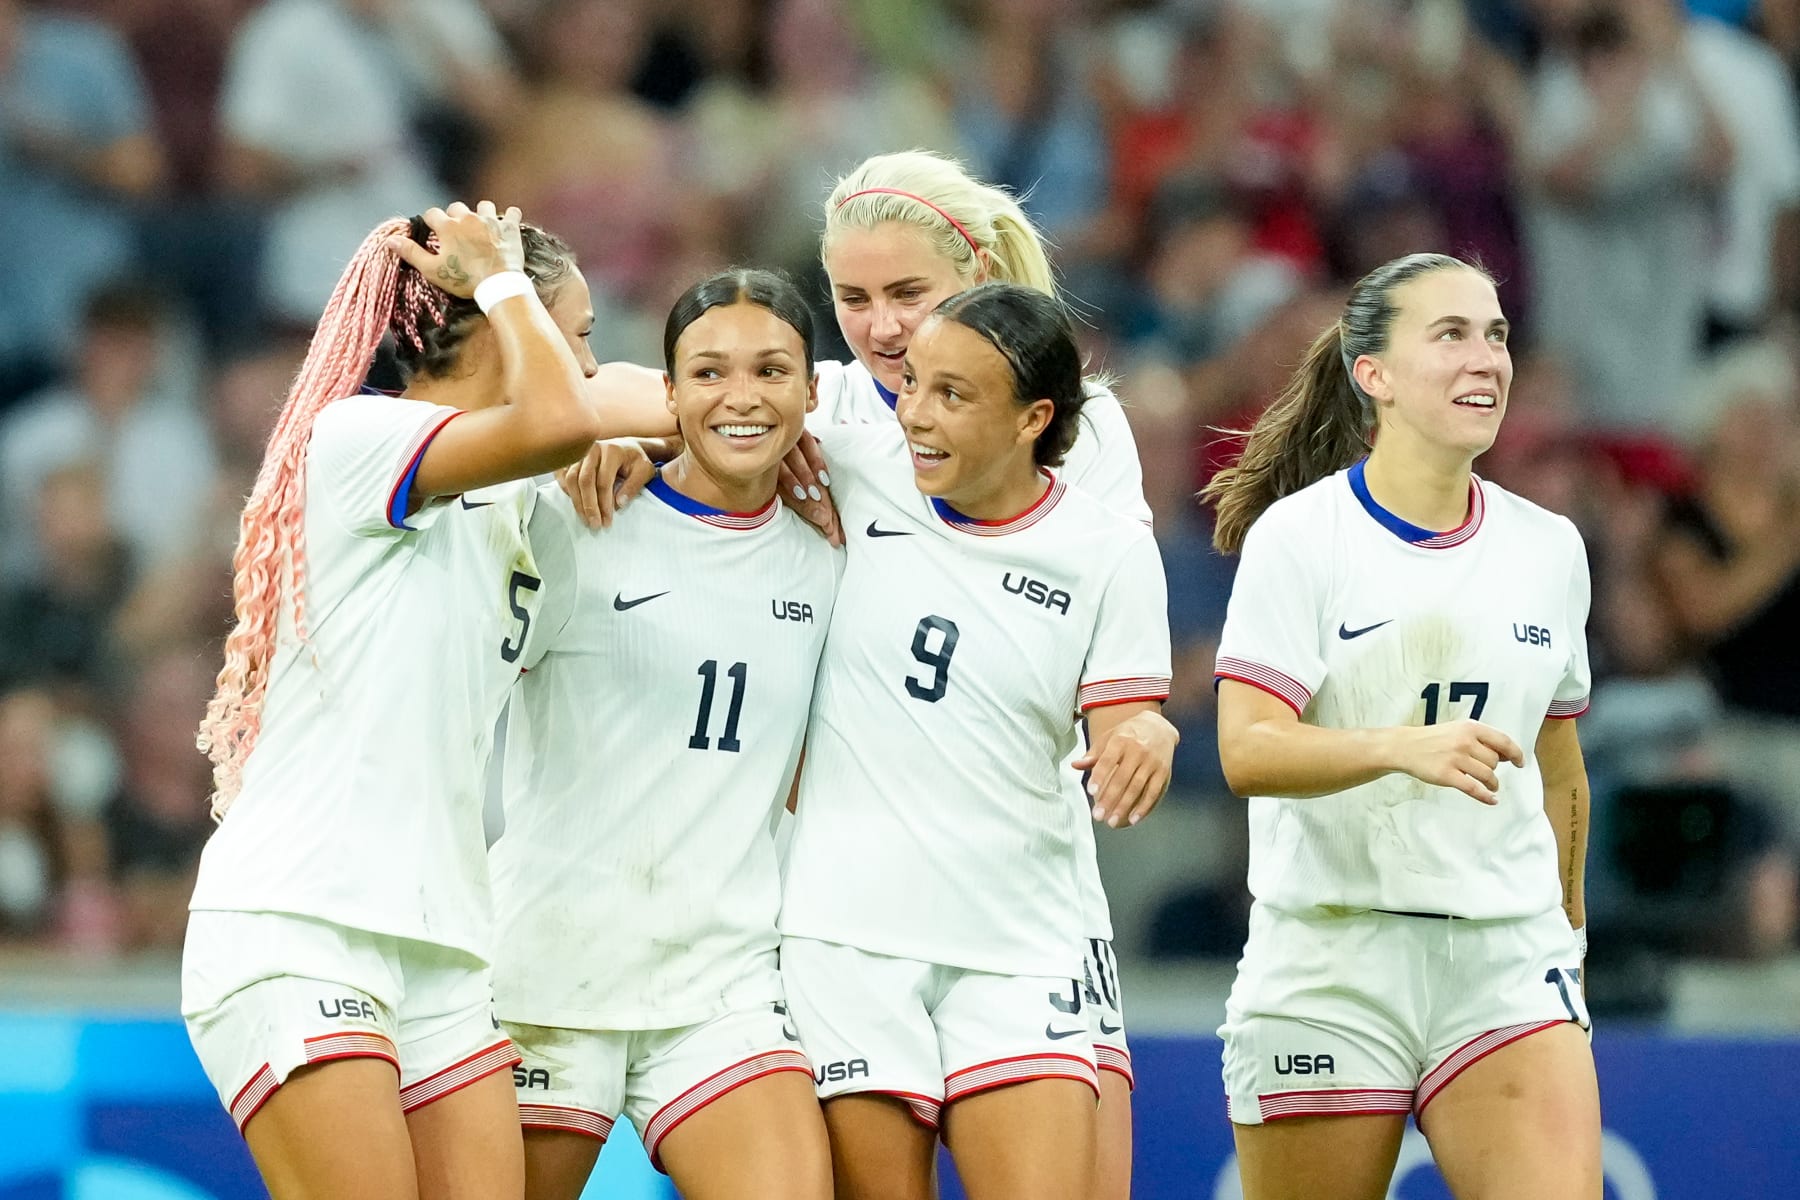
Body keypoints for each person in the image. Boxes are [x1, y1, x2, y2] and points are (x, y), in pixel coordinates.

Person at [561, 151, 1154, 1199]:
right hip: (846, 911)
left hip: (1023, 898)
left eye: (909, 295)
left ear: (974, 271)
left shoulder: (1085, 435)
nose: (881, 327)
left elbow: (1110, 635)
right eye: (853, 297)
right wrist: (623, 433)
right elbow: (680, 385)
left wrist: (1141, 720)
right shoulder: (825, 407)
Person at [181, 201, 608, 1199]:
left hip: (444, 942)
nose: (588, 362)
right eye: (573, 334)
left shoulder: (523, 503)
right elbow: (562, 417)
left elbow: (605, 408)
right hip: (300, 920)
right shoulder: (362, 440)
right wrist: (505, 279)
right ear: (507, 325)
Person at [1201, 253, 1599, 1200]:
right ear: (1371, 373)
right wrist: (1395, 748)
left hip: (1507, 960)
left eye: (1497, 335)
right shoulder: (1300, 539)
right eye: (1452, 334)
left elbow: (1560, 774)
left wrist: (1566, 944)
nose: (1487, 358)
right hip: (1332, 957)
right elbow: (1247, 748)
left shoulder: (1551, 547)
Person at [779, 283, 1175, 1200]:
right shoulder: (854, 463)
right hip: (848, 937)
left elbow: (1126, 722)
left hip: (1017, 939)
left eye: (952, 395)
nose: (914, 414)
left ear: (1035, 417)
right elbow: (698, 418)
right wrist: (618, 460)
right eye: (912, 383)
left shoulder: (1107, 550)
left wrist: (1144, 739)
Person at [491, 269, 836, 1200]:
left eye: (772, 370)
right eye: (710, 372)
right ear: (669, 391)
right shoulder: (577, 520)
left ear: (813, 389)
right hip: (548, 978)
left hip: (720, 985)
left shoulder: (834, 557)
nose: (742, 397)